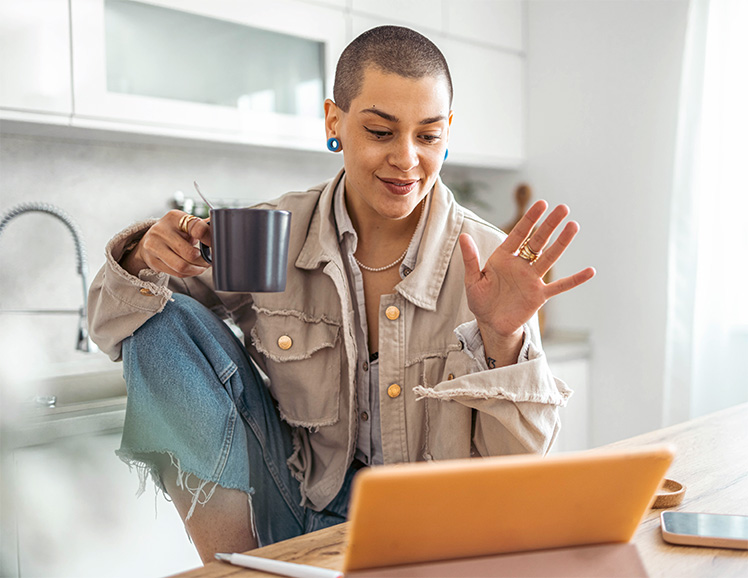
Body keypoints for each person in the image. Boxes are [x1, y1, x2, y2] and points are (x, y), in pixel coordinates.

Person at [88, 25, 595, 564]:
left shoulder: (490, 263)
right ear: (335, 121)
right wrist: (144, 259)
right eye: (380, 131)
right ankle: (233, 571)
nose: (406, 159)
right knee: (161, 321)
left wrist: (503, 337)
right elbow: (113, 326)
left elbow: (514, 477)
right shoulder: (270, 237)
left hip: (435, 535)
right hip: (294, 508)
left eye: (427, 136)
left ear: (448, 130)